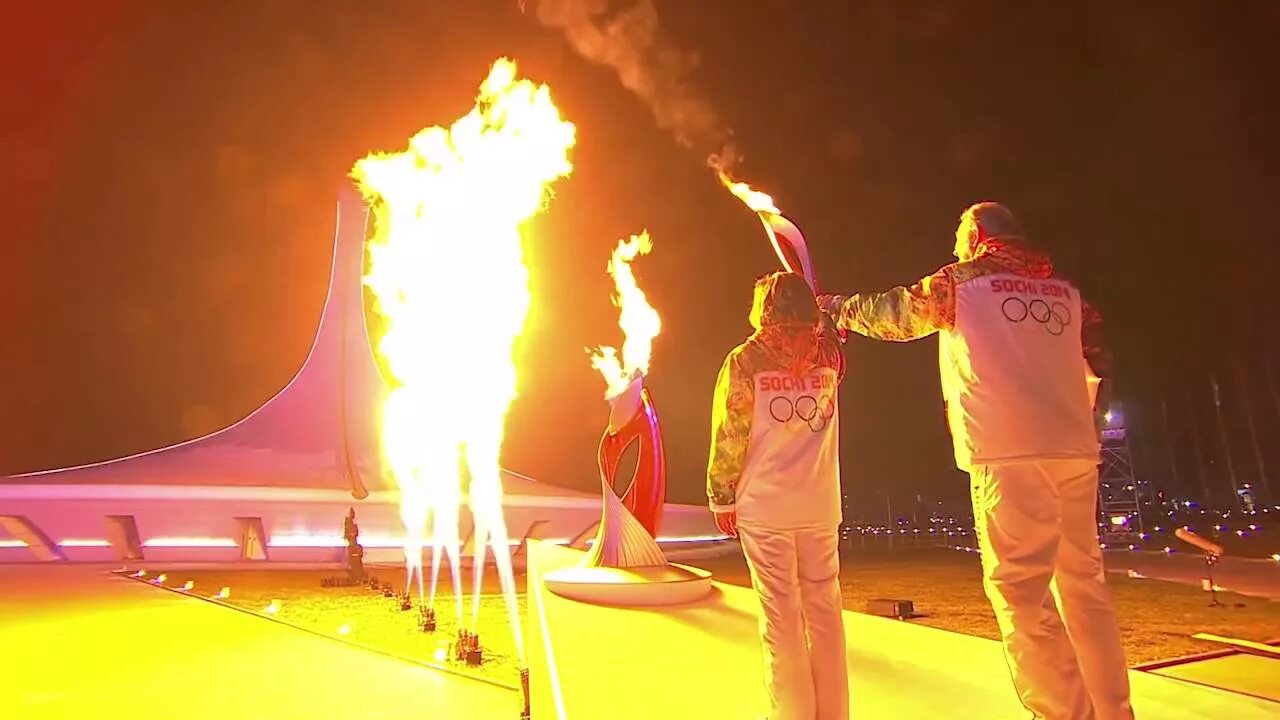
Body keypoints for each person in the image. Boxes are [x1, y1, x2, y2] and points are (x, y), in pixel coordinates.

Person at [817, 202, 1133, 720]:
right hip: (1073, 453)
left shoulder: (962, 283)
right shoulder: (1070, 294)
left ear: (979, 236)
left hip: (1009, 453)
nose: (955, 247)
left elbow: (894, 314)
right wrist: (1084, 429)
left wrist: (834, 307)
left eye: (960, 237)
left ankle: (1064, 713)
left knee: (1021, 591)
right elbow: (1103, 366)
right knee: (1084, 587)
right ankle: (1114, 711)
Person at [707, 271, 849, 720]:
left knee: (782, 617)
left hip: (765, 504)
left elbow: (732, 433)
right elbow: (830, 339)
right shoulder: (830, 355)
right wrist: (824, 317)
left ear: (765, 308)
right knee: (824, 612)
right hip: (819, 503)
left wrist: (721, 496)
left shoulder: (746, 361)